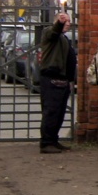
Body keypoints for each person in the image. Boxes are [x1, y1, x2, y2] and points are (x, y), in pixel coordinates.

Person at [38, 12, 77, 154]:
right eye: (64, 21)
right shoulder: (49, 33)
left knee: (59, 113)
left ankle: (53, 140)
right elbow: (53, 32)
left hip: (63, 79)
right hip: (51, 78)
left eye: (68, 21)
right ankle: (46, 142)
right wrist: (59, 24)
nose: (68, 23)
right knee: (51, 111)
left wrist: (70, 80)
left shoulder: (64, 38)